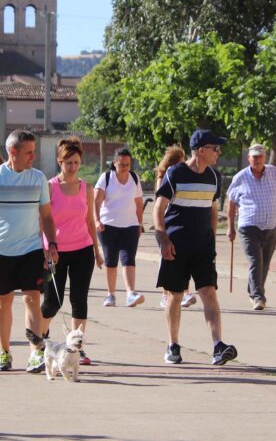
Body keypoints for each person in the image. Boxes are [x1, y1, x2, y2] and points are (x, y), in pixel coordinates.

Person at [0, 130, 58, 373]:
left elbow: (48, 217)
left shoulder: (38, 178)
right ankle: (5, 351)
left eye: (34, 152)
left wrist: (51, 244)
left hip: (31, 248)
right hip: (0, 250)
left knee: (32, 298)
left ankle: (35, 352)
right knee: (4, 301)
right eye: (29, 152)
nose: (34, 156)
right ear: (13, 152)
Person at [153, 129, 238, 366]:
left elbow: (212, 210)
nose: (218, 153)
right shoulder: (176, 173)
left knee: (209, 292)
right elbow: (158, 208)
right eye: (215, 148)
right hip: (176, 246)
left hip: (202, 247)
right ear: (202, 151)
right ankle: (173, 345)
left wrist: (211, 239)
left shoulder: (213, 176)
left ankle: (218, 345)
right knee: (175, 295)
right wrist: (163, 239)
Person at [40, 139, 103, 366]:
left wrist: (97, 250)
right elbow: (42, 221)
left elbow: (89, 221)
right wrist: (46, 249)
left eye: (76, 162)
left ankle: (78, 348)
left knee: (79, 299)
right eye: (68, 162)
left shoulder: (86, 188)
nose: (73, 167)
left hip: (83, 249)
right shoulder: (49, 187)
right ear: (60, 161)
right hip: (56, 251)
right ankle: (42, 339)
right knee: (52, 302)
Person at [227, 143, 276, 311]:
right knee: (255, 261)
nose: (257, 160)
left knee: (264, 264)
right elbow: (232, 203)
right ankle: (258, 296)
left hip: (271, 226)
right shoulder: (241, 177)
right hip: (248, 226)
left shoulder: (274, 173)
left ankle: (254, 290)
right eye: (254, 157)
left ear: (264, 158)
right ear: (248, 158)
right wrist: (230, 227)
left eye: (260, 157)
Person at [94, 148, 145, 308]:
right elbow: (95, 201)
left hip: (130, 225)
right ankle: (111, 295)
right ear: (114, 163)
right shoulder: (106, 178)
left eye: (127, 164)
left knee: (129, 259)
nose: (124, 167)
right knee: (111, 260)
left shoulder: (134, 179)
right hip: (108, 225)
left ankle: (130, 293)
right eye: (121, 164)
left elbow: (138, 203)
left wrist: (140, 224)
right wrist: (96, 221)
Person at [153, 145, 196, 309]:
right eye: (181, 160)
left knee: (183, 259)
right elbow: (161, 201)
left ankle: (184, 292)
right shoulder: (164, 177)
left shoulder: (183, 175)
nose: (184, 164)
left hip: (181, 223)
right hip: (166, 223)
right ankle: (165, 294)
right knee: (167, 258)